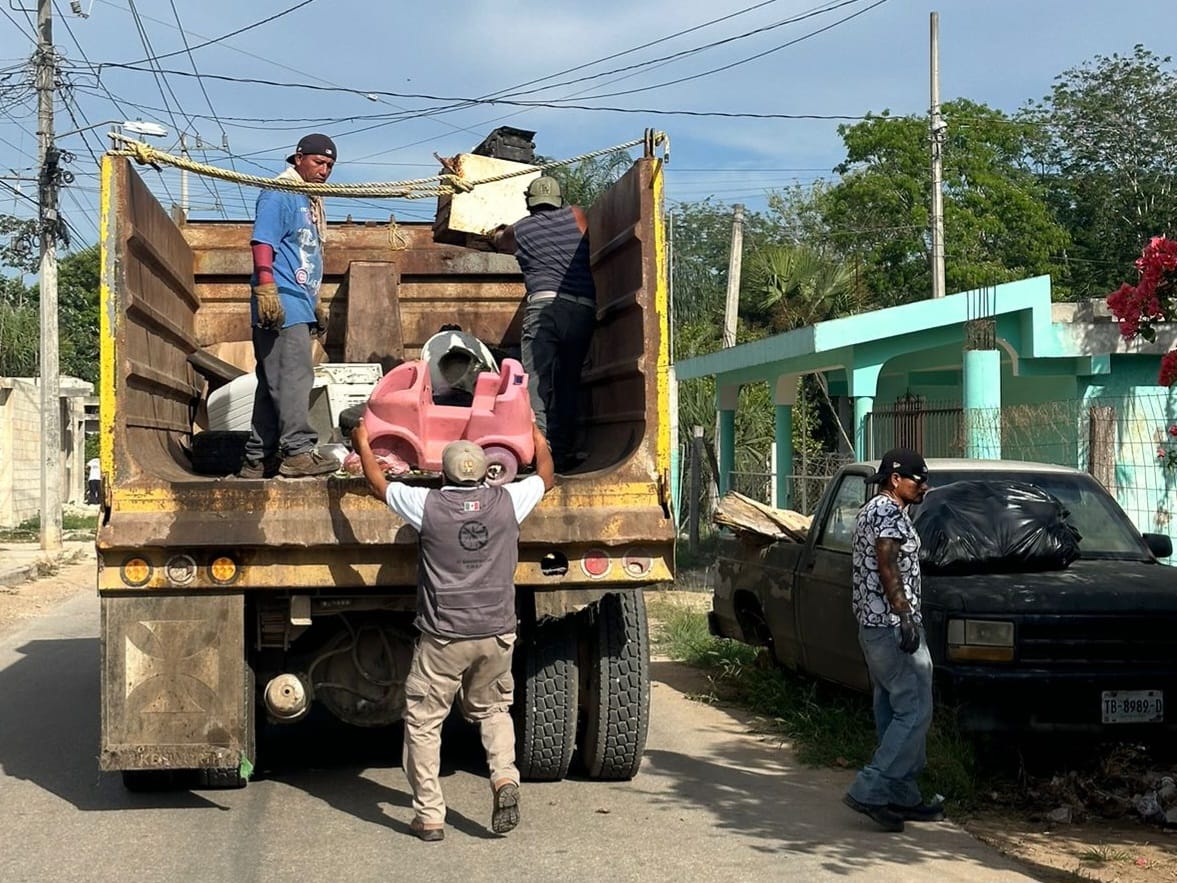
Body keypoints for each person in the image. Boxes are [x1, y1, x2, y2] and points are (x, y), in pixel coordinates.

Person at [351, 420, 555, 841]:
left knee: (424, 723)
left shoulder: (426, 505)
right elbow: (546, 479)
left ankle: (429, 816)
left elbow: (377, 484)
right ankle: (504, 779)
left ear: (442, 476)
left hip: (443, 637)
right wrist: (536, 438)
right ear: (488, 473)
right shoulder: (508, 501)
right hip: (497, 633)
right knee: (493, 710)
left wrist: (363, 443)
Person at [842, 447, 944, 833]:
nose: (924, 486)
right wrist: (904, 614)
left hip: (873, 627)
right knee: (914, 710)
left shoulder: (873, 509)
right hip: (891, 625)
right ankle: (872, 787)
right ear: (895, 480)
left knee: (891, 706)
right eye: (918, 479)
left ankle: (901, 795)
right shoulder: (887, 513)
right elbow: (886, 564)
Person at [237, 133, 339, 479]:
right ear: (298, 159)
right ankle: (296, 451)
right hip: (281, 302)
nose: (324, 170)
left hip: (299, 302)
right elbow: (263, 241)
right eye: (317, 162)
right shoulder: (280, 193)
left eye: (329, 165)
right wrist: (266, 286)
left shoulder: (310, 203)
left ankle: (258, 458)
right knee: (295, 378)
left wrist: (317, 301)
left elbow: (306, 255)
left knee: (273, 383)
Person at [488, 176, 595, 472]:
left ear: (529, 202)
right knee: (568, 382)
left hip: (545, 308)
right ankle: (563, 451)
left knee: (536, 383)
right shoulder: (577, 215)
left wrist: (494, 233)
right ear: (559, 199)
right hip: (583, 308)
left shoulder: (520, 230)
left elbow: (499, 242)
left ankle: (541, 451)